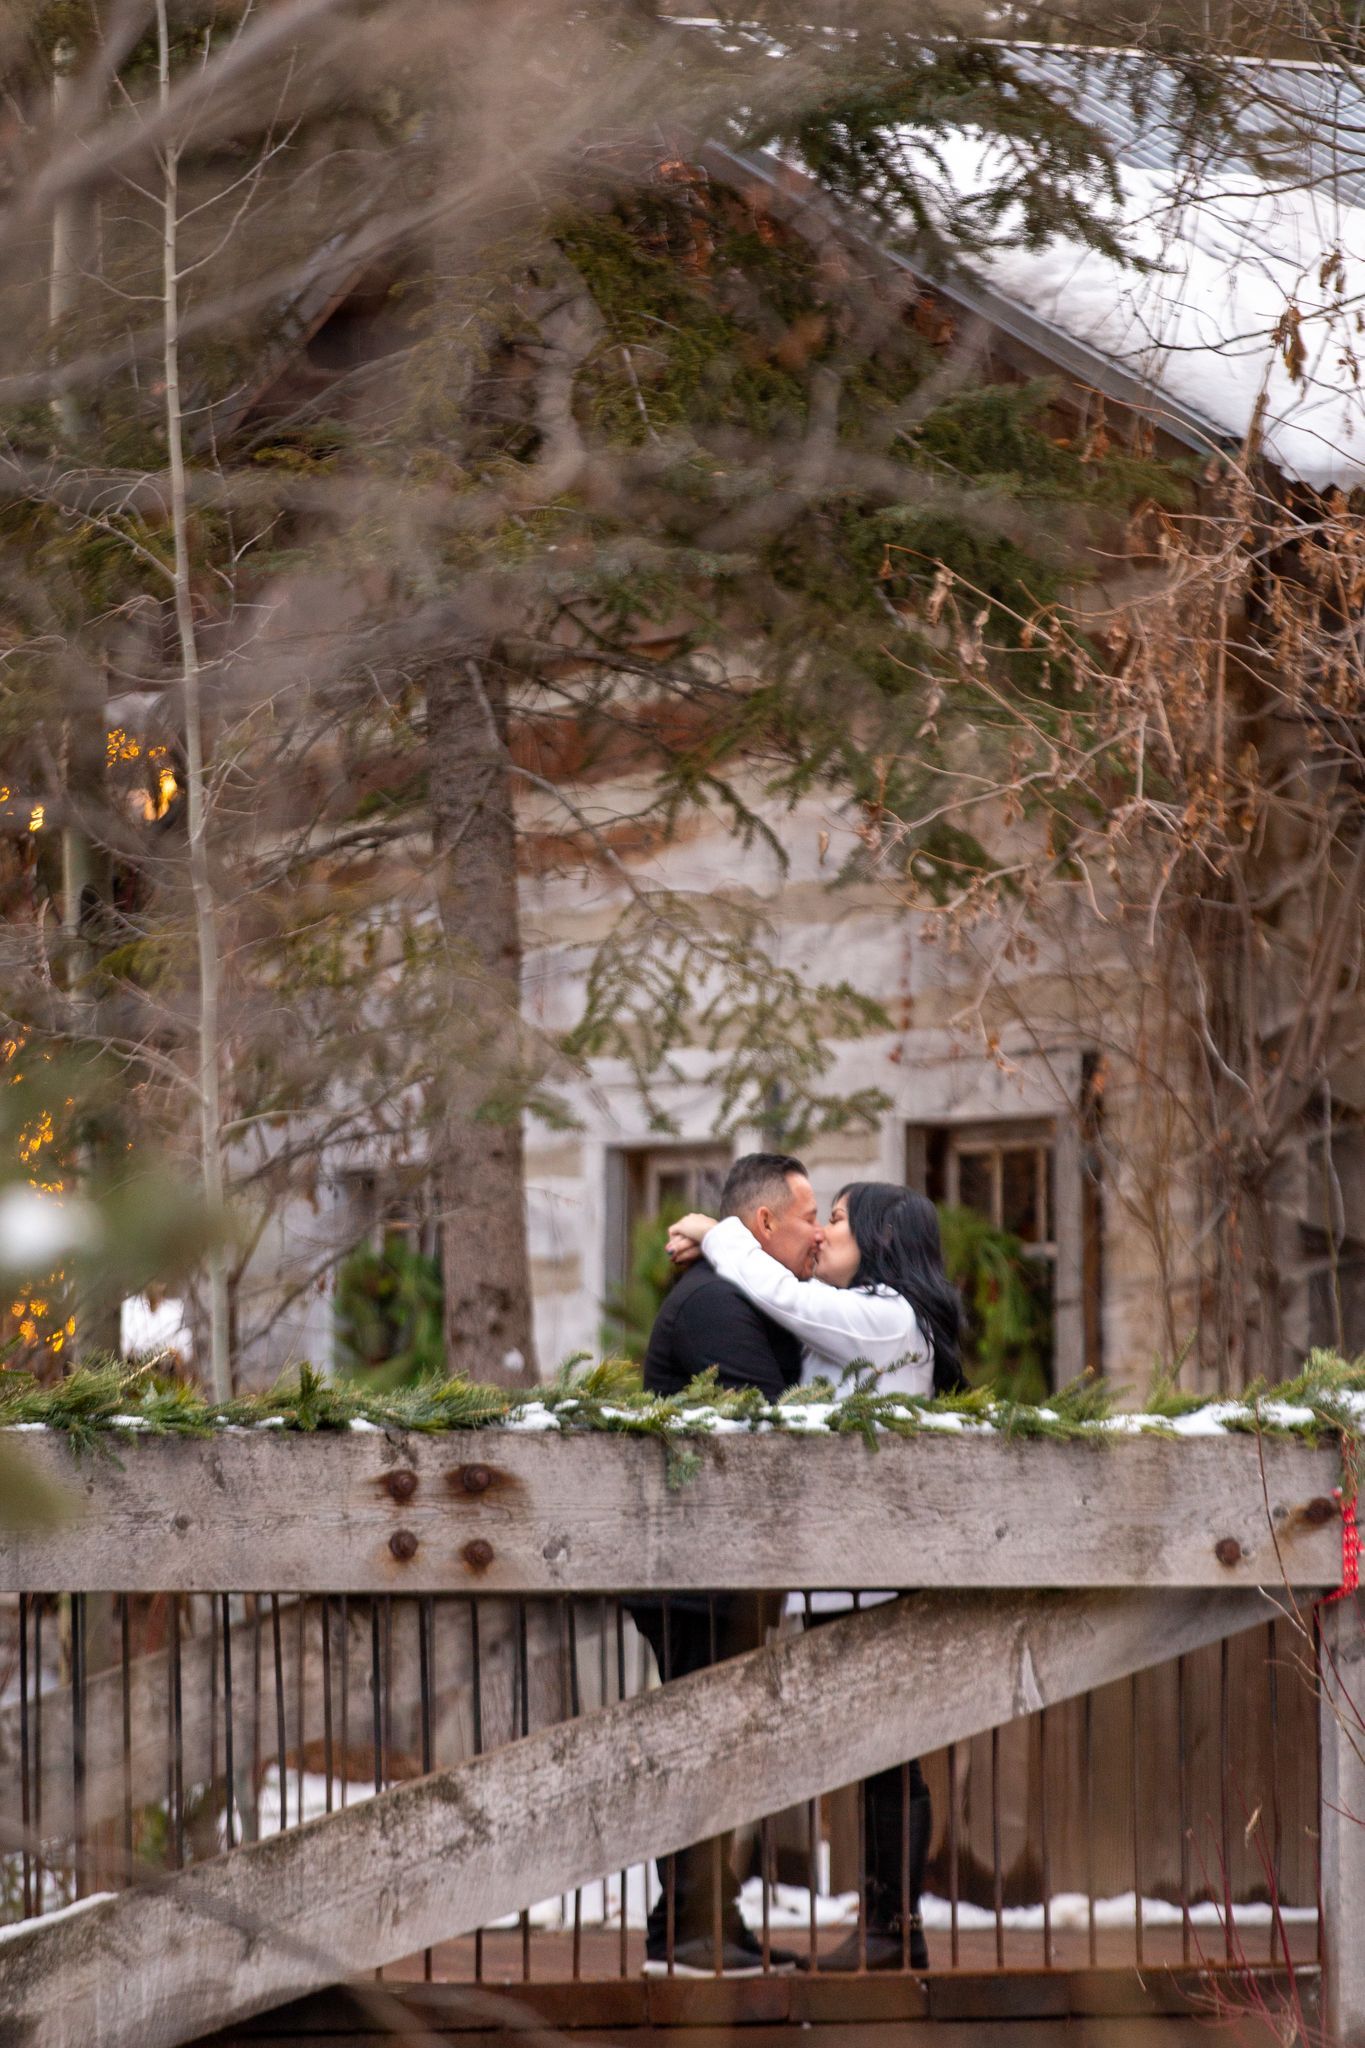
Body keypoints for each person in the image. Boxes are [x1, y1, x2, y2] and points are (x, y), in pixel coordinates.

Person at [666, 1182, 967, 1972]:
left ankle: (892, 1932)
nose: (824, 1233)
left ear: (877, 1236)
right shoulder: (872, 1317)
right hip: (844, 1574)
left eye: (835, 1218)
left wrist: (720, 1231)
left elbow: (781, 1295)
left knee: (887, 1758)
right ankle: (887, 1927)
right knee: (876, 1755)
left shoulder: (888, 1319)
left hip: (868, 1577)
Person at [634, 1152, 822, 1978]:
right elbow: (766, 1425)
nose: (818, 1232)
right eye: (809, 1215)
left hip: (720, 1566)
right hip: (693, 1570)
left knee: (719, 1743)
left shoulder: (734, 1289)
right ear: (764, 1225)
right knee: (702, 1743)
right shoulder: (715, 1302)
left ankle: (704, 1919)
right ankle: (690, 1932)